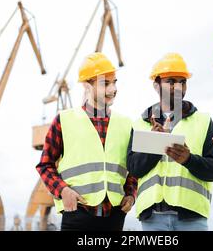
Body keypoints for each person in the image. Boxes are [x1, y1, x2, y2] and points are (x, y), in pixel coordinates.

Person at [36, 52, 137, 231]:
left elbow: (133, 168)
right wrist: (63, 191)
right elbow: (45, 165)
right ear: (87, 85)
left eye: (114, 82)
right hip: (77, 213)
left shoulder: (126, 124)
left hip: (114, 215)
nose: (112, 89)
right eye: (105, 83)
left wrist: (130, 195)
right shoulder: (64, 120)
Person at [127, 53, 213, 231]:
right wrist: (155, 146)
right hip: (152, 219)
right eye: (171, 81)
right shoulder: (140, 124)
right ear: (156, 85)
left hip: (192, 218)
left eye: (182, 81)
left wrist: (189, 160)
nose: (178, 87)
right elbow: (134, 169)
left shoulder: (203, 121)